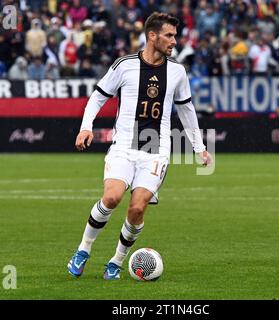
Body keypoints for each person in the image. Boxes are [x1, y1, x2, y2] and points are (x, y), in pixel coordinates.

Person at [67, 12, 213, 280]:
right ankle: (83, 249)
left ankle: (116, 261)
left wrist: (199, 147)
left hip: (156, 151)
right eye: (169, 35)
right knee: (111, 197)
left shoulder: (177, 72)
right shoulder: (124, 65)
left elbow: (186, 110)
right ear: (152, 36)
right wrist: (86, 126)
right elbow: (98, 97)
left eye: (175, 36)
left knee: (136, 209)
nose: (174, 41)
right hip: (124, 144)